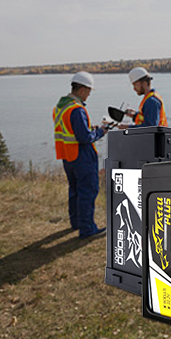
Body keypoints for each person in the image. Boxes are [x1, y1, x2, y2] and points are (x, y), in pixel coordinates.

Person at [53, 71, 108, 238]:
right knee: (87, 192)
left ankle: (76, 222)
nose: (88, 95)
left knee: (75, 190)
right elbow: (84, 138)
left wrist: (90, 129)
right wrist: (100, 132)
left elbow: (70, 130)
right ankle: (87, 229)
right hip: (81, 156)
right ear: (82, 89)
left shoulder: (60, 107)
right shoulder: (77, 109)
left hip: (67, 156)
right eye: (89, 91)